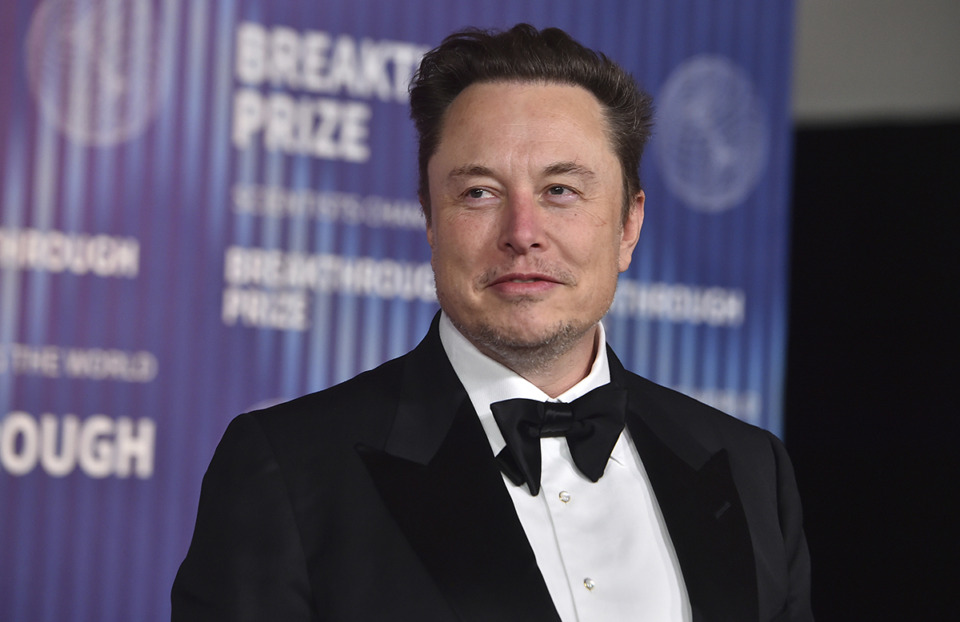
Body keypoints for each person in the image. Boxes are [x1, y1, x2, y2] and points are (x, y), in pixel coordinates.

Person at [172, 24, 812, 621]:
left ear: (628, 225)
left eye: (561, 190)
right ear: (429, 220)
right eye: (479, 192)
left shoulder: (752, 470)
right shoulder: (287, 471)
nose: (523, 234)